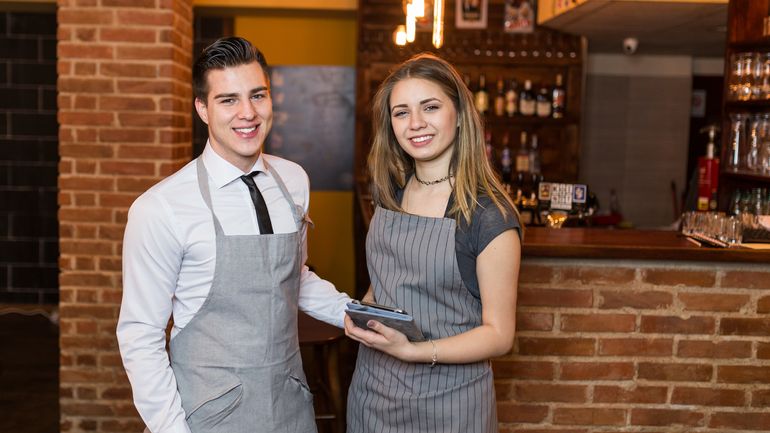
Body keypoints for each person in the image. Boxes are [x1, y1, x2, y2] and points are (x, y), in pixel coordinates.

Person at [116, 36, 350, 433]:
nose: (248, 113)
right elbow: (141, 334)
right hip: (206, 417)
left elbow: (294, 276)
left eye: (258, 95)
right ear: (202, 109)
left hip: (290, 407)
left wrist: (352, 313)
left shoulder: (293, 181)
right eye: (228, 100)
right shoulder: (161, 207)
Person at [345, 53, 522, 433]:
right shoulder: (389, 191)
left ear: (458, 113)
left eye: (430, 107)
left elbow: (499, 334)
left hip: (450, 405)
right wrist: (365, 312)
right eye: (401, 112)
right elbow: (384, 279)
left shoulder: (487, 214)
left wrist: (415, 351)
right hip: (374, 392)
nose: (416, 124)